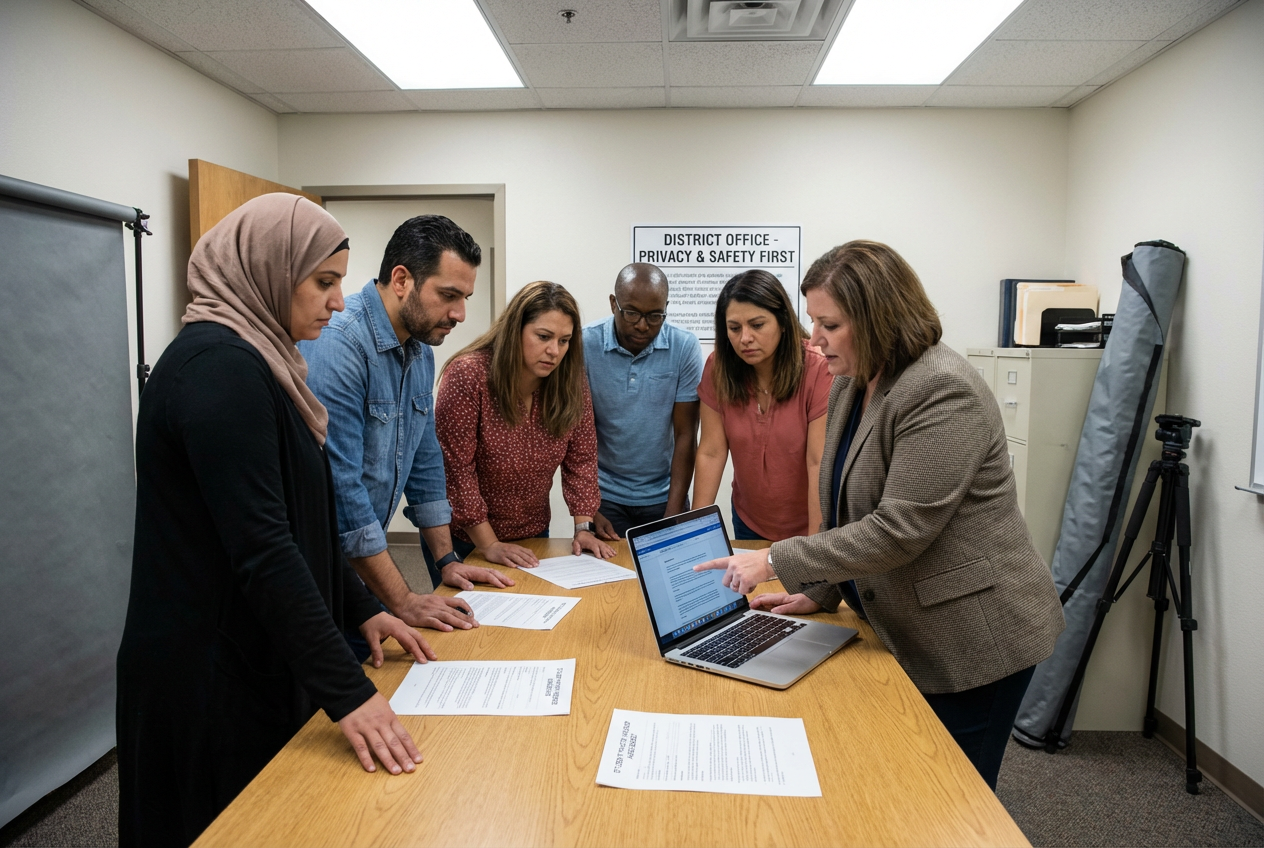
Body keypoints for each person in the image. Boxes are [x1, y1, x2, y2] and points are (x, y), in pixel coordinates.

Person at [117, 194, 434, 848]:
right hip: (208, 676)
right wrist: (349, 693)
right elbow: (264, 550)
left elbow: (300, 521)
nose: (340, 301)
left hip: (251, 652)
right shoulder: (219, 370)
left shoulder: (267, 363)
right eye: (324, 282)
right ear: (266, 268)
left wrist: (361, 606)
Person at [695, 240, 1065, 790]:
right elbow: (847, 509)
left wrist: (774, 558)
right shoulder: (853, 379)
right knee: (904, 780)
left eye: (829, 324)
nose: (814, 339)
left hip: (974, 635)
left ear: (878, 318)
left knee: (952, 796)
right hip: (905, 617)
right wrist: (821, 590)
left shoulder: (940, 388)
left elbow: (898, 529)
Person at [300, 215, 513, 642]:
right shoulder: (340, 344)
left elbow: (425, 462)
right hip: (319, 571)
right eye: (449, 295)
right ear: (401, 280)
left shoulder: (420, 349)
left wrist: (446, 561)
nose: (460, 314)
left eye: (465, 297)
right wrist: (403, 598)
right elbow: (340, 489)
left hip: (366, 565)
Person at [436, 280, 616, 566]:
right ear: (514, 330)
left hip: (532, 535)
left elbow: (581, 459)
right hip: (466, 539)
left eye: (564, 340)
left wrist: (583, 528)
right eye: (543, 336)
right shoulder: (468, 376)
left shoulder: (570, 381)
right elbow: (456, 473)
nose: (554, 351)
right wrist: (489, 544)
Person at [693, 269, 833, 541]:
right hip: (749, 520)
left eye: (757, 325)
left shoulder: (818, 369)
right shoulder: (718, 367)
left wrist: (815, 546)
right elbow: (711, 452)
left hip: (808, 526)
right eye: (734, 328)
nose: (744, 338)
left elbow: (818, 462)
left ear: (782, 322)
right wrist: (696, 534)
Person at [583, 263, 703, 538]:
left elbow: (686, 434)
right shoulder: (584, 344)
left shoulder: (684, 346)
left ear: (666, 308)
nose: (642, 325)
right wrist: (590, 507)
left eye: (654, 316)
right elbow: (577, 433)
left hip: (663, 496)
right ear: (613, 303)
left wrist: (674, 512)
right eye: (632, 313)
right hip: (604, 497)